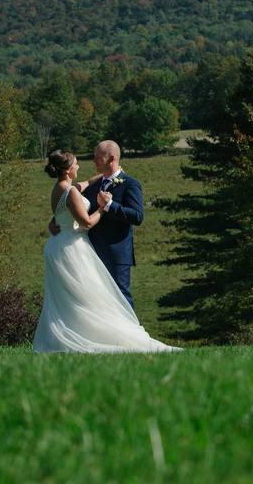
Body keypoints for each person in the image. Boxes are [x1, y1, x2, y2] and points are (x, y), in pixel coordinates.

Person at [32, 148, 178, 353]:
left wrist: (105, 175)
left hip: (61, 245)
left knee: (75, 297)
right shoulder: (71, 191)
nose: (79, 165)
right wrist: (103, 206)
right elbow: (86, 223)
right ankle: (111, 338)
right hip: (75, 248)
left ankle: (77, 334)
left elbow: (63, 210)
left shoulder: (60, 188)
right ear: (67, 170)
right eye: (75, 163)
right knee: (91, 296)